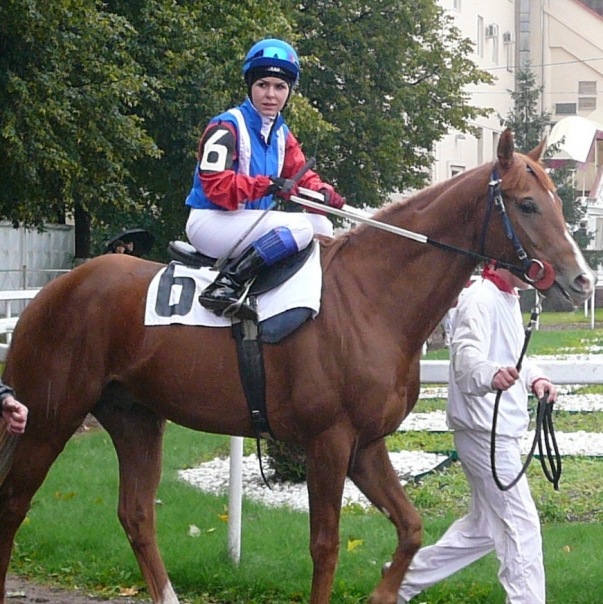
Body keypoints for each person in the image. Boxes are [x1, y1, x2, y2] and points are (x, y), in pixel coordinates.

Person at [391, 262, 557, 604]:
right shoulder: (479, 298)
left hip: (496, 430)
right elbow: (466, 360)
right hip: (484, 431)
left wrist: (535, 378)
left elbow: (514, 356)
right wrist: (490, 374)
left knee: (483, 529)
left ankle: (398, 581)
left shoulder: (506, 298)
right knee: (520, 525)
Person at [185, 38, 345, 321]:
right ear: (250, 86)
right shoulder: (225, 125)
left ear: (289, 91)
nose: (271, 94)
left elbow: (302, 176)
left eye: (280, 86)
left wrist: (324, 194)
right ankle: (226, 285)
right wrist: (268, 185)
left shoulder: (281, 133)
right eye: (263, 84)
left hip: (247, 223)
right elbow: (217, 187)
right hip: (211, 221)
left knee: (322, 225)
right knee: (299, 227)